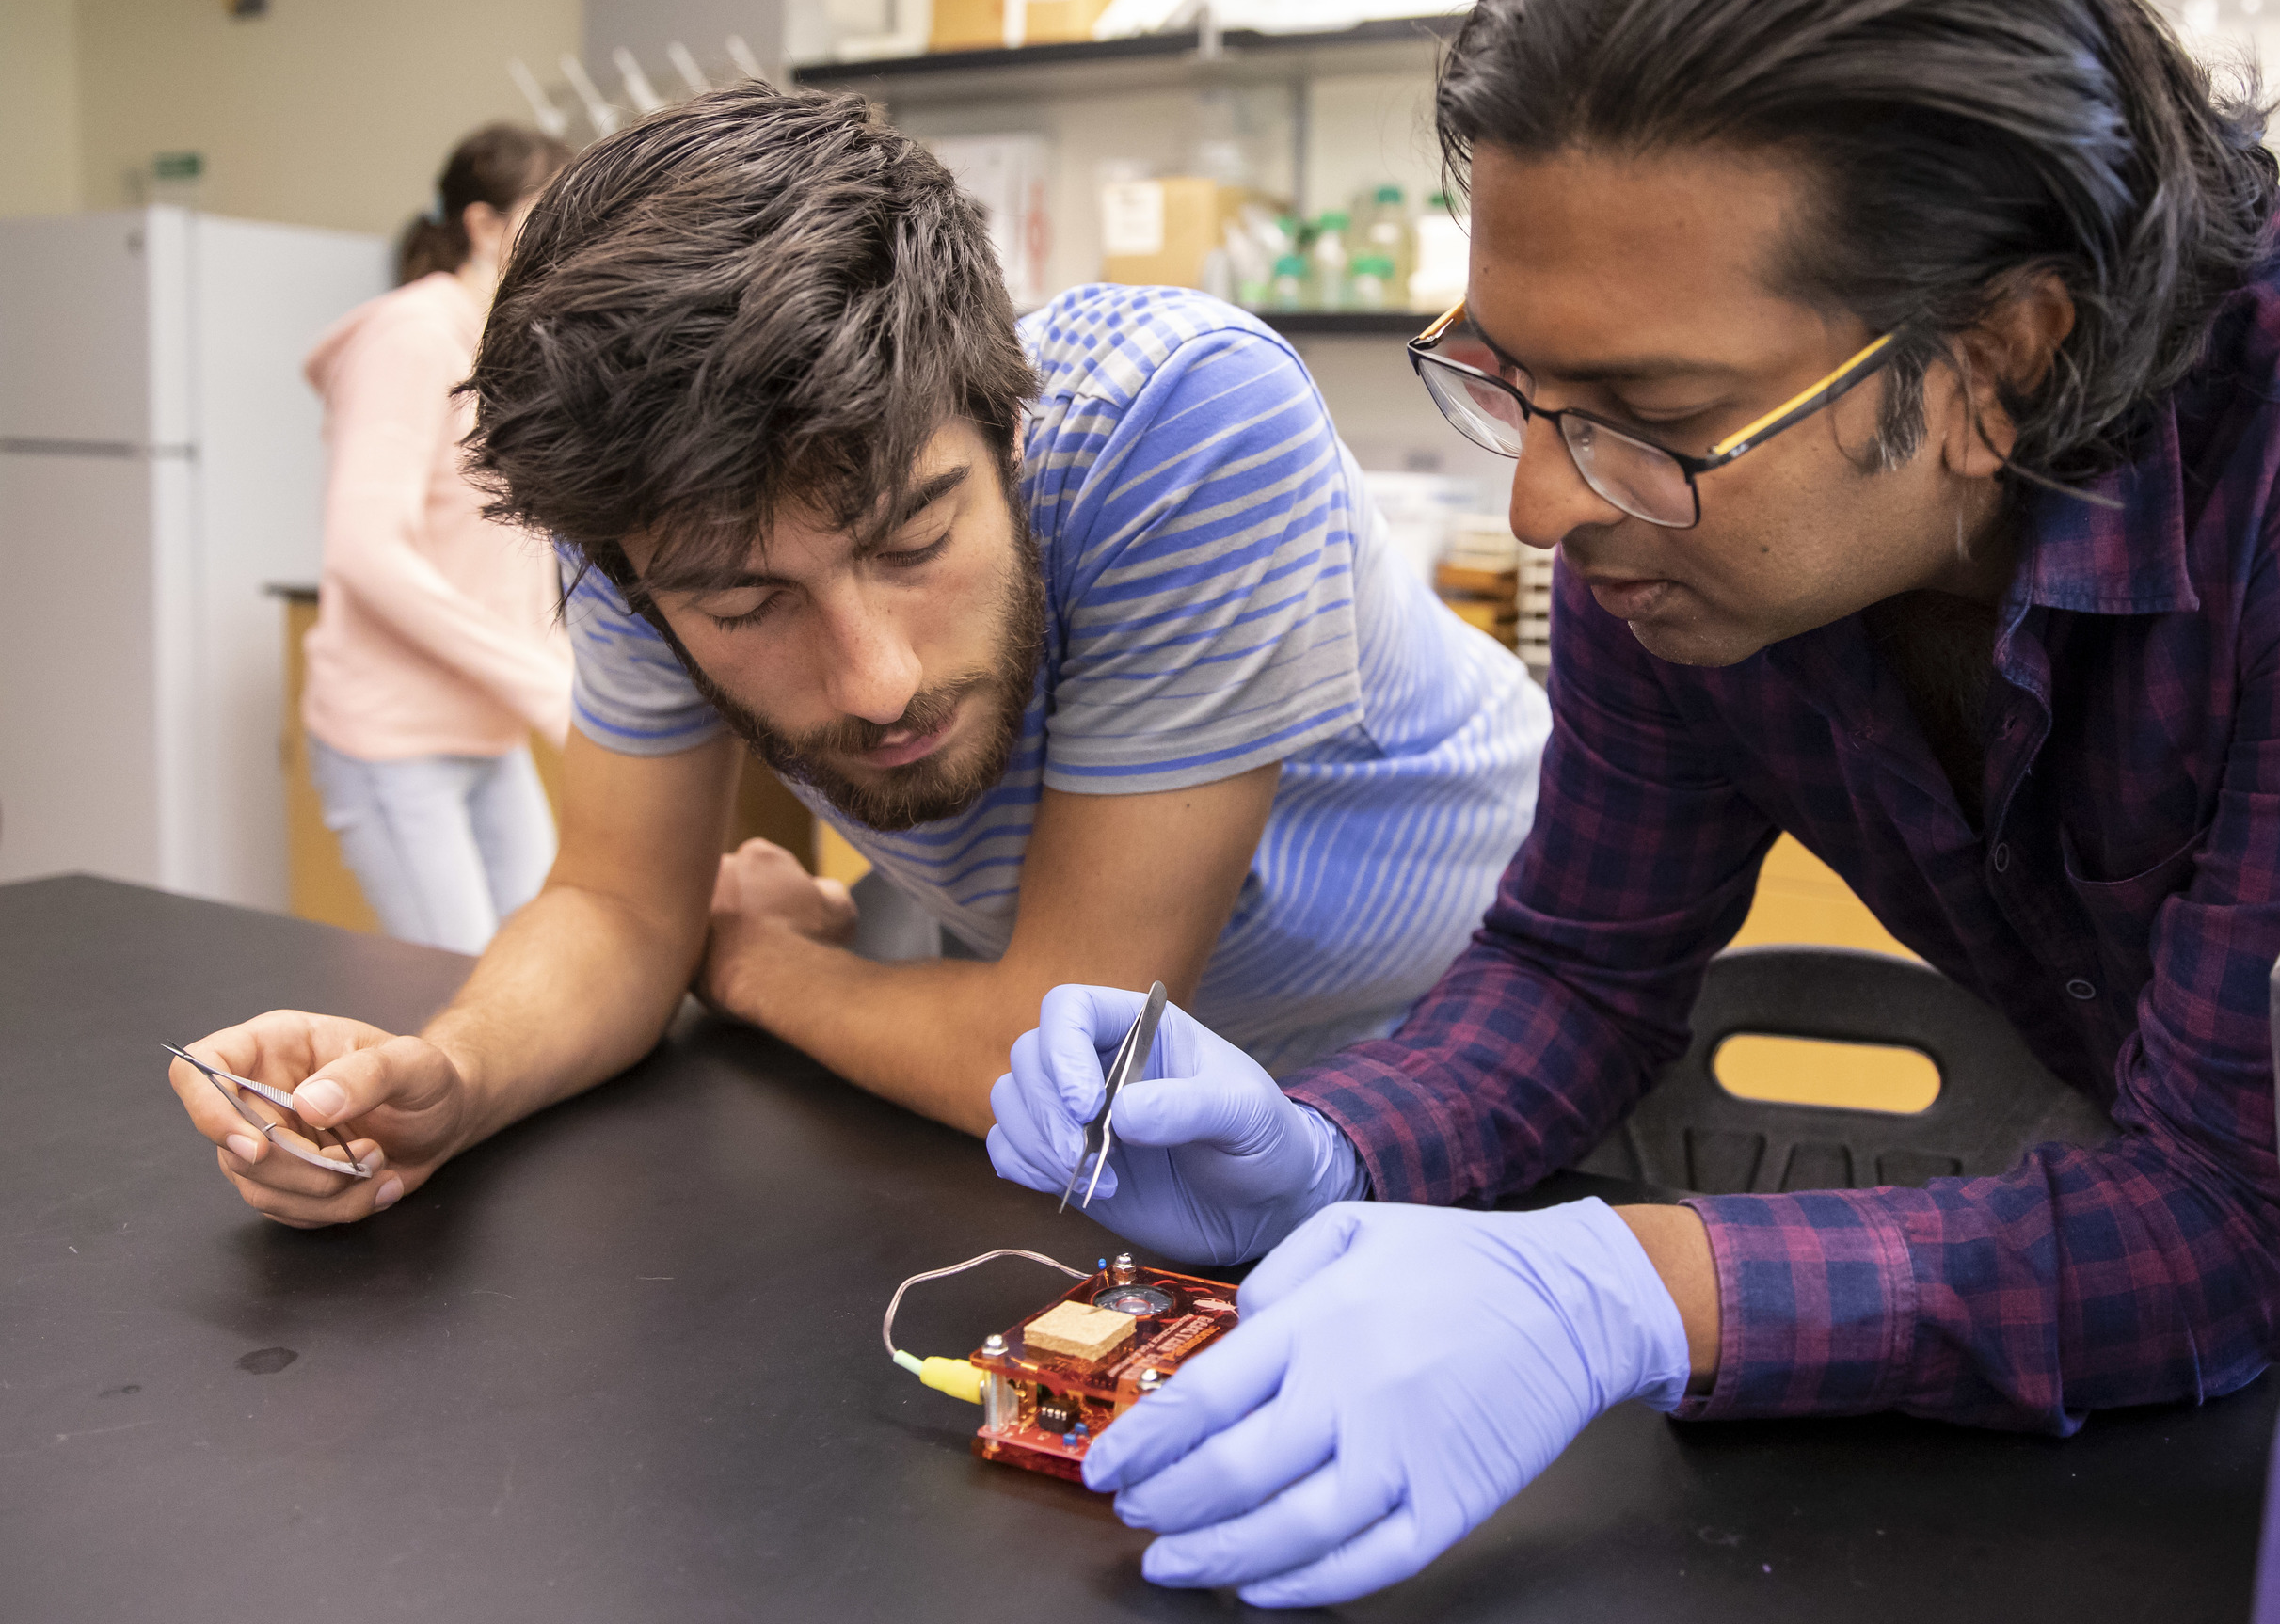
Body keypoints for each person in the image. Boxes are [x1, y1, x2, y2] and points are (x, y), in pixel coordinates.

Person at [984, 0, 2280, 1608]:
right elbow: (1579, 969)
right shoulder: (1680, 517)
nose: (1541, 502)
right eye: (1512, 388)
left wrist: (1628, 1291)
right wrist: (1327, 1150)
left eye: (1639, 407)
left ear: (1999, 358)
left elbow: (2272, 1218)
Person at [166, 87, 1544, 1218]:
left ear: (1008, 428)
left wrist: (753, 961)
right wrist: (449, 1077)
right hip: (1081, 1111)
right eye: (749, 608)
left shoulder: (1181, 428)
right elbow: (620, 908)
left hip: (1463, 1041)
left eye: (913, 540)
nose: (877, 681)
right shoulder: (646, 519)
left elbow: (1071, 1056)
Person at [301, 124, 575, 953]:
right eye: (545, 215)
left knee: (544, 972)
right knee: (457, 994)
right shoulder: (413, 335)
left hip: (488, 731)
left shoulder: (503, 347)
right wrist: (539, 681)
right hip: (397, 737)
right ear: (485, 226)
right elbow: (364, 551)